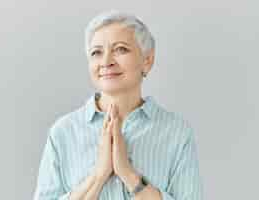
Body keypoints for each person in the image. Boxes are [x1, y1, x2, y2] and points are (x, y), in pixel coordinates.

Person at [33, 10, 203, 200]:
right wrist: (98, 176)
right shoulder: (63, 133)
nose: (106, 61)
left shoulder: (176, 133)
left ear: (147, 60)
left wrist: (128, 174)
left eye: (120, 49)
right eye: (97, 52)